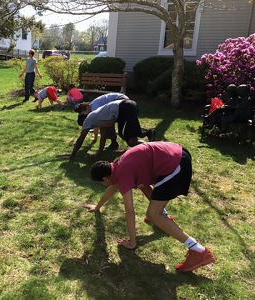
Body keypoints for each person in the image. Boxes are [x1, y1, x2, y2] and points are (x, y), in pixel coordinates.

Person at [86, 142, 216, 272]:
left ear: (104, 178)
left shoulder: (122, 175)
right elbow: (117, 187)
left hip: (176, 164)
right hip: (179, 154)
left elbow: (130, 212)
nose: (103, 185)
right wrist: (97, 207)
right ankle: (163, 217)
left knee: (153, 214)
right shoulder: (117, 166)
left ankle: (198, 251)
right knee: (146, 194)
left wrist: (132, 241)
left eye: (101, 183)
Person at [70, 98, 155, 160]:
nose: (85, 128)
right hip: (125, 108)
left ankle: (149, 140)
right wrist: (99, 153)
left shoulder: (88, 119)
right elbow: (103, 137)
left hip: (125, 107)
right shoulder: (99, 120)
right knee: (125, 136)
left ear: (84, 120)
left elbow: (81, 139)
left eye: (83, 126)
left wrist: (72, 155)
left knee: (133, 136)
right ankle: (149, 147)